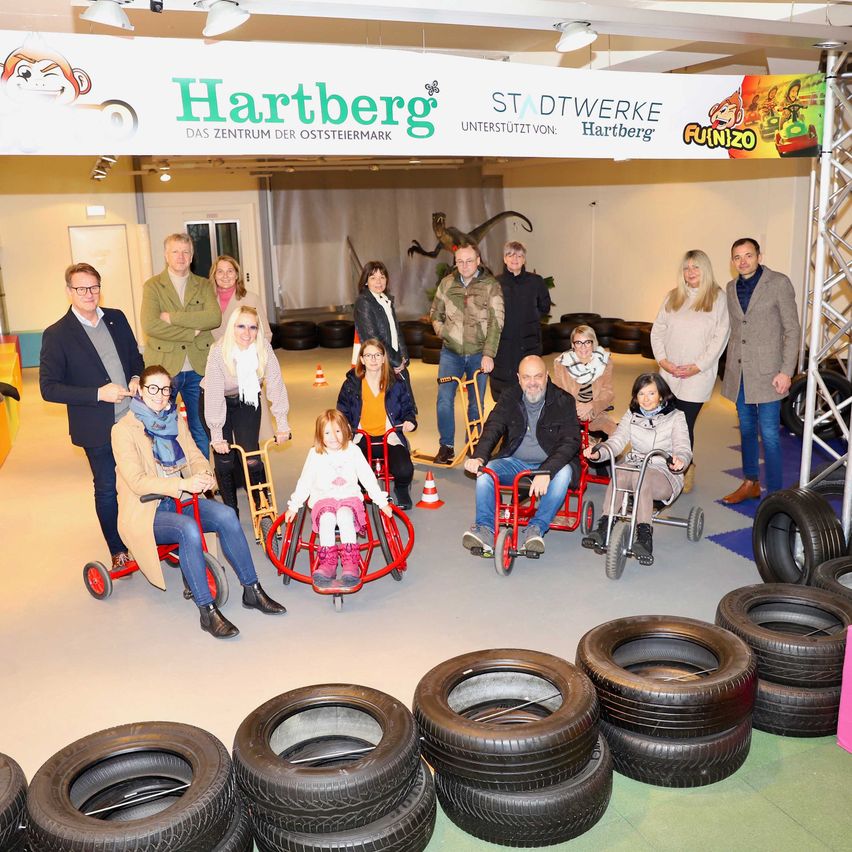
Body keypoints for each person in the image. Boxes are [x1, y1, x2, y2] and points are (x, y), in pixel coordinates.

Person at [112, 365, 286, 639]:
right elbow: (136, 481)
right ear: (141, 391)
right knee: (188, 529)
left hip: (180, 500)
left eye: (165, 389)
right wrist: (182, 484)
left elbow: (194, 456)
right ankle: (207, 611)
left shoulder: (174, 420)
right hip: (147, 510)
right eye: (153, 389)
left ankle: (252, 590)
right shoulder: (124, 430)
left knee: (227, 515)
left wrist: (204, 474)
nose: (159, 396)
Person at [40, 262, 144, 569]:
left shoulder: (116, 318)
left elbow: (135, 358)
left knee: (144, 479)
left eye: (94, 287)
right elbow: (49, 388)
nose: (89, 294)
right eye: (81, 288)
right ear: (69, 291)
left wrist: (137, 377)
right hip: (96, 426)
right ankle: (117, 549)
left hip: (132, 419)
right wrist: (98, 393)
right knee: (107, 487)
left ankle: (152, 537)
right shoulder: (57, 334)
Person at [462, 355, 580, 555]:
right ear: (518, 378)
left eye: (538, 376)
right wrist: (480, 457)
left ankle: (535, 528)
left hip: (550, 464)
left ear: (546, 376)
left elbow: (571, 441)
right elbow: (493, 426)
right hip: (516, 463)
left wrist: (547, 471)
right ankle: (485, 529)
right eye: (527, 377)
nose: (532, 383)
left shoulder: (563, 400)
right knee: (486, 472)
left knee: (565, 473)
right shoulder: (510, 397)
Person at [720, 238, 800, 504]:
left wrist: (786, 371)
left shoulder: (778, 283)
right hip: (740, 374)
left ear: (759, 256)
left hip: (769, 373)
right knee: (745, 429)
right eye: (737, 257)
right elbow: (734, 330)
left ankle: (775, 495)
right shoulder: (731, 288)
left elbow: (792, 330)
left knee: (769, 434)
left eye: (748, 255)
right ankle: (751, 482)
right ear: (732, 261)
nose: (743, 261)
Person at [582, 373, 691, 564]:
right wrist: (599, 452)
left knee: (642, 477)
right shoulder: (632, 415)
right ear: (635, 396)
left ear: (661, 395)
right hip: (635, 466)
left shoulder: (676, 417)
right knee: (620, 472)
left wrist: (680, 459)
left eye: (651, 393)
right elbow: (617, 441)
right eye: (641, 394)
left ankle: (644, 535)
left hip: (663, 470)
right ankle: (606, 523)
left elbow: (683, 447)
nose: (646, 399)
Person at [285, 410, 392, 589]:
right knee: (327, 519)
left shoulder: (353, 451)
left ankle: (350, 563)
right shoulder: (315, 454)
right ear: (320, 435)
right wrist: (294, 505)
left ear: (346, 430)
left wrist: (382, 502)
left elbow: (367, 477)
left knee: (344, 515)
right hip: (324, 499)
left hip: (348, 498)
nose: (333, 437)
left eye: (337, 432)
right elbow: (305, 481)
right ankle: (328, 564)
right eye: (327, 433)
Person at [651, 249, 730, 492]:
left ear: (705, 269)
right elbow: (658, 331)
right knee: (665, 422)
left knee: (683, 423)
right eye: (686, 268)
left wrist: (697, 367)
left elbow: (720, 337)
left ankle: (683, 470)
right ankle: (667, 466)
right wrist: (664, 362)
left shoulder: (718, 298)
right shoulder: (673, 297)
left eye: (696, 267)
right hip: (669, 373)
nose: (691, 272)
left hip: (698, 376)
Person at [203, 306, 291, 517]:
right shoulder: (219, 351)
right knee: (225, 460)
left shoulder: (263, 349)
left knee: (251, 454)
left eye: (252, 327)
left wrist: (282, 424)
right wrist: (217, 435)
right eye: (241, 326)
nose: (247, 333)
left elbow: (276, 384)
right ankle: (231, 512)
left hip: (247, 398)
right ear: (232, 327)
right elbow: (214, 393)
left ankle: (261, 504)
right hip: (218, 401)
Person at [141, 233, 221, 458]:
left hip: (199, 368)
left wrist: (172, 317)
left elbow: (214, 318)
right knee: (161, 426)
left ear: (192, 256)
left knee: (201, 427)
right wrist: (191, 332)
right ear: (166, 255)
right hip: (165, 368)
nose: (181, 256)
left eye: (186, 252)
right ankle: (170, 481)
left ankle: (204, 480)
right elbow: (151, 325)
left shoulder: (204, 285)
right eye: (175, 251)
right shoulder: (153, 286)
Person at [430, 240, 504, 464]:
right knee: (444, 400)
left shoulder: (491, 285)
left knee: (476, 402)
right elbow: (435, 313)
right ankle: (446, 446)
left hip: (477, 354)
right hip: (450, 353)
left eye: (469, 261)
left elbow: (497, 321)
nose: (464, 265)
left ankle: (474, 444)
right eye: (460, 261)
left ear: (478, 261)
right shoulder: (447, 283)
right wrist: (444, 332)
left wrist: (488, 354)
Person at [336, 338, 417, 510]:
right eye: (368, 355)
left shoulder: (396, 383)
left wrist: (410, 421)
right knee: (354, 470)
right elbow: (341, 412)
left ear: (383, 358)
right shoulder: (351, 385)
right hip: (361, 436)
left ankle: (402, 490)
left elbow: (408, 408)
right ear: (362, 360)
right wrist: (345, 427)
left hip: (389, 436)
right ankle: (361, 492)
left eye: (377, 355)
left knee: (405, 470)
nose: (373, 359)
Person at [491, 241, 552, 400]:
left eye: (519, 255)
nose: (515, 259)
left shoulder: (536, 281)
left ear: (524, 259)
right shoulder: (495, 283)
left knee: (531, 388)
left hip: (529, 343)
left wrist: (531, 318)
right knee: (505, 390)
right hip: (504, 346)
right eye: (510, 255)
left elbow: (545, 307)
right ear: (504, 259)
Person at [353, 261, 413, 397]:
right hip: (379, 363)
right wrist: (395, 360)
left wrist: (404, 357)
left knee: (403, 403)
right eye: (373, 278)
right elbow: (372, 338)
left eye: (382, 277)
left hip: (393, 360)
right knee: (389, 405)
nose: (378, 281)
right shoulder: (364, 303)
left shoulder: (385, 300)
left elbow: (396, 331)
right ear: (366, 281)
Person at [552, 324, 617, 437]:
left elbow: (608, 392)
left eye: (587, 342)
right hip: (569, 413)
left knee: (615, 433)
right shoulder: (561, 363)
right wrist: (577, 408)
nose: (583, 347)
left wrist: (591, 406)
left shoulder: (605, 362)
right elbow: (558, 393)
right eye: (578, 343)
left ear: (593, 343)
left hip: (597, 413)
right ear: (573, 345)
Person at [210, 254, 267, 342]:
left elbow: (265, 334)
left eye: (230, 271)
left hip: (244, 352)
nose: (225, 275)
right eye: (220, 271)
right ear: (214, 276)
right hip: (215, 352)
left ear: (236, 275)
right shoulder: (206, 300)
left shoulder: (252, 299)